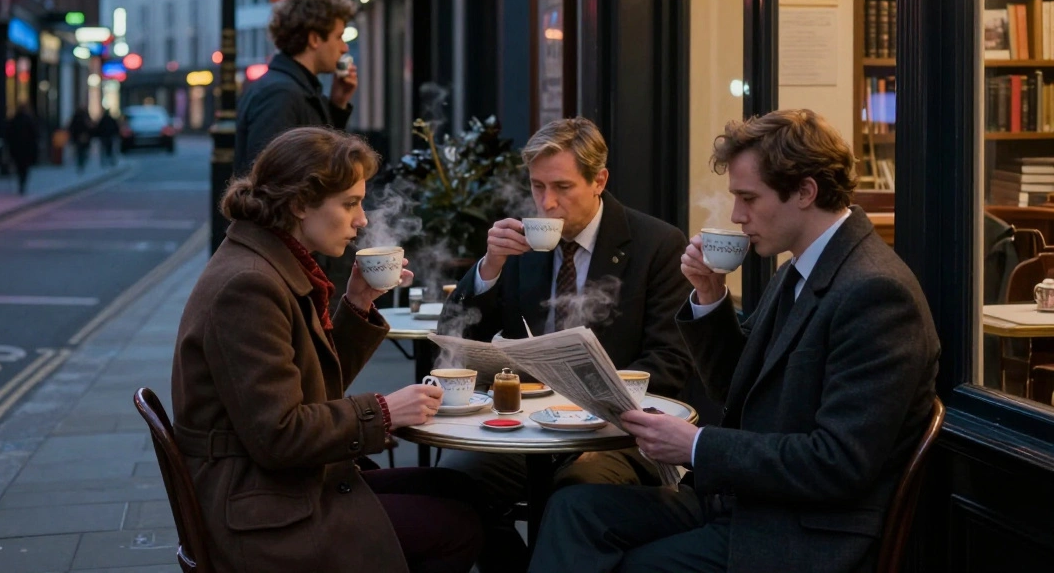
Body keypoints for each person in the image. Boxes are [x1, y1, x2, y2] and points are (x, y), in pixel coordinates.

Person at [530, 109, 941, 573]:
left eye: (748, 197)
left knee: (636, 564)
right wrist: (709, 297)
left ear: (805, 191)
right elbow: (739, 389)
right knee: (574, 510)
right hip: (747, 503)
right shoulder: (798, 270)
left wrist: (697, 447)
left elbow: (838, 463)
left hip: (802, 531)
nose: (736, 216)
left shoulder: (875, 292)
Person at [171, 126, 485, 573]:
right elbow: (279, 435)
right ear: (300, 204)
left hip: (279, 487)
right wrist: (384, 411)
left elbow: (309, 387)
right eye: (350, 203)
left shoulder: (269, 261)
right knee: (457, 525)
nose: (362, 221)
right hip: (259, 512)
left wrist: (357, 303)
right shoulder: (249, 286)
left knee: (463, 489)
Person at [439, 117, 693, 568]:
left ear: (599, 181)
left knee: (576, 490)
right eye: (537, 187)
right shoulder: (521, 248)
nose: (547, 203)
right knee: (453, 487)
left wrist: (600, 399)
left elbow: (670, 361)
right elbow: (458, 337)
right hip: (529, 427)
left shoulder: (657, 245)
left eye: (562, 186)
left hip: (616, 434)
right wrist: (490, 266)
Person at [233, 0, 358, 175]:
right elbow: (269, 179)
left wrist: (337, 104)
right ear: (314, 39)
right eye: (339, 37)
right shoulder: (280, 94)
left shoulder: (298, 89)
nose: (344, 47)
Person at [4, 102, 40, 195]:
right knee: (25, 168)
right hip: (26, 149)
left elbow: (8, 135)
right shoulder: (30, 120)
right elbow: (35, 135)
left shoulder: (14, 120)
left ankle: (21, 183)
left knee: (19, 166)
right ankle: (22, 184)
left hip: (16, 148)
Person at [67, 108, 94, 173]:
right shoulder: (85, 119)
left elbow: (71, 128)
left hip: (79, 138)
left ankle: (80, 164)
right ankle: (81, 163)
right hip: (83, 138)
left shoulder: (76, 119)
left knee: (80, 152)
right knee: (82, 152)